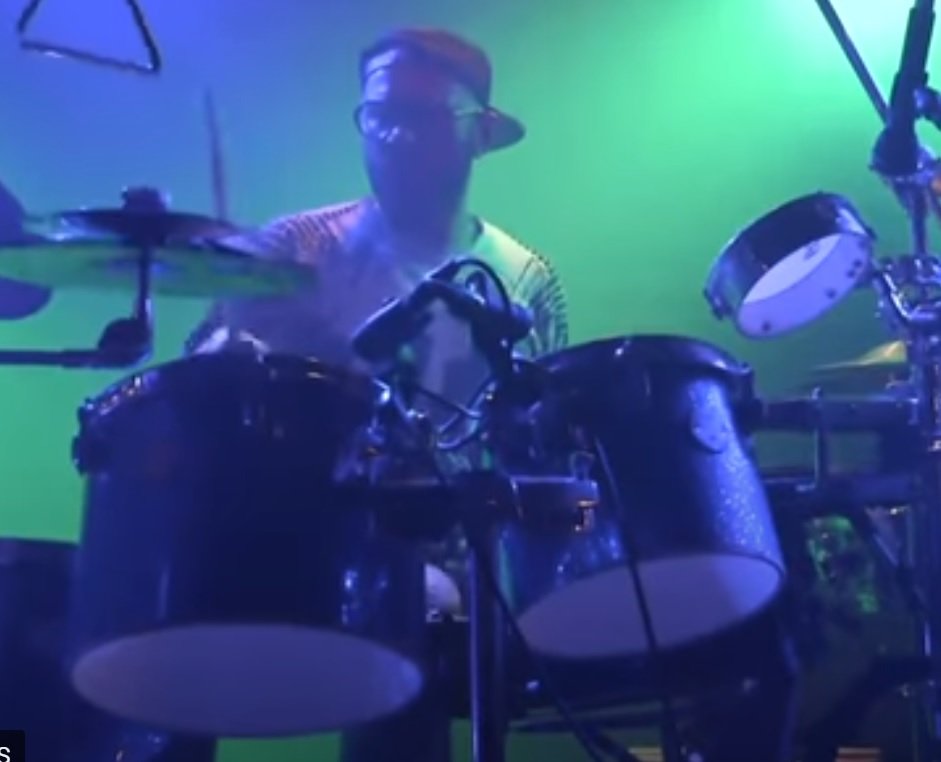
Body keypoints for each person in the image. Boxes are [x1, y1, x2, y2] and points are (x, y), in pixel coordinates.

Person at [183, 27, 568, 762]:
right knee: (176, 590)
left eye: (420, 117)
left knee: (418, 610)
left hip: (446, 558)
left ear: (480, 132)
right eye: (378, 115)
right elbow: (201, 373)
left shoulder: (523, 278)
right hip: (293, 527)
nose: (392, 135)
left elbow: (538, 446)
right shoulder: (297, 247)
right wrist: (222, 359)